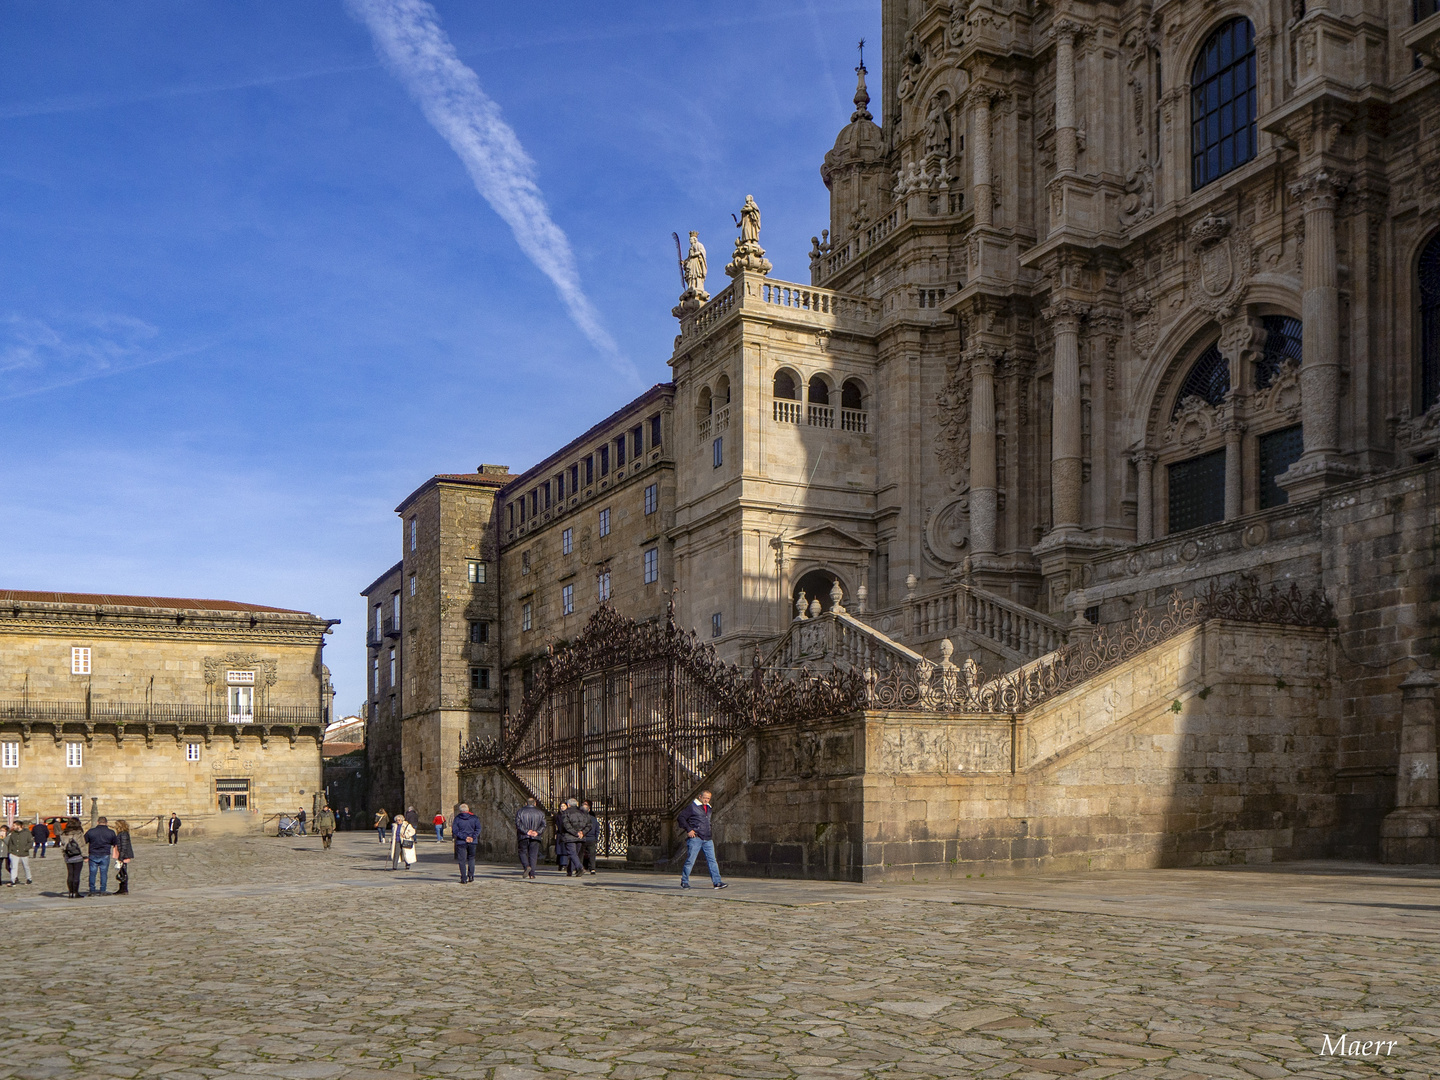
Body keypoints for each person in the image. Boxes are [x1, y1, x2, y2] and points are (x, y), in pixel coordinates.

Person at [678, 790, 727, 890]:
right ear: (700, 796)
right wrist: (689, 829)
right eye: (705, 797)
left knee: (712, 860)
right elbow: (681, 818)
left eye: (708, 798)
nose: (706, 799)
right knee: (690, 860)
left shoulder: (708, 807)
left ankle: (717, 882)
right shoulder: (692, 807)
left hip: (708, 838)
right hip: (696, 837)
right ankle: (684, 881)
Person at [84, 816, 119, 896]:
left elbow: (84, 841)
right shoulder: (111, 832)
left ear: (97, 822)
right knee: (104, 873)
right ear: (106, 823)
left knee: (92, 873)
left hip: (93, 854)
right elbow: (114, 843)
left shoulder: (91, 831)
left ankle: (92, 890)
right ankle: (103, 890)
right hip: (105, 854)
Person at [558, 799, 590, 879]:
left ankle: (580, 867)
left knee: (572, 853)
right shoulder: (582, 812)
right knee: (574, 854)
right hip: (580, 836)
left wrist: (575, 833)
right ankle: (570, 870)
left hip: (570, 836)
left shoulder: (566, 813)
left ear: (568, 805)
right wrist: (582, 832)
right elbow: (589, 824)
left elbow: (566, 825)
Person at [515, 798, 545, 880]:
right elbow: (543, 824)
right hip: (535, 836)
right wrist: (537, 832)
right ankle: (532, 874)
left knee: (522, 852)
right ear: (535, 803)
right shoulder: (540, 812)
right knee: (533, 855)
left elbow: (518, 823)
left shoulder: (520, 811)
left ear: (526, 803)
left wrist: (527, 831)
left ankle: (526, 866)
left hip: (523, 836)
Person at [452, 803, 480, 883]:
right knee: (471, 858)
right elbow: (478, 828)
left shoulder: (457, 819)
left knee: (462, 860)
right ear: (468, 810)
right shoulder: (474, 818)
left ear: (460, 811)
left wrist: (464, 837)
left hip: (461, 841)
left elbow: (455, 830)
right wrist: (472, 837)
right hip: (472, 841)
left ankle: (464, 878)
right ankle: (471, 875)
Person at [62, 826, 85, 899]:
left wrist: (64, 855)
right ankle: (75, 892)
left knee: (70, 874)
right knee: (76, 874)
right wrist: (85, 855)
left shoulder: (64, 833)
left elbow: (63, 846)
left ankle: (71, 892)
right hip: (77, 856)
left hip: (68, 856)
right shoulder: (78, 833)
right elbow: (82, 845)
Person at [579, 800, 600, 876]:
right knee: (592, 854)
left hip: (583, 838)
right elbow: (597, 829)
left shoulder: (580, 818)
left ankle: (580, 867)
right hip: (592, 838)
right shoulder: (593, 819)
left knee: (581, 854)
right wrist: (596, 837)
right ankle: (592, 868)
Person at [113, 820, 135, 895]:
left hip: (123, 856)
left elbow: (124, 846)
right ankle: (122, 888)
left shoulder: (123, 834)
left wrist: (120, 858)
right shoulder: (121, 834)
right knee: (122, 871)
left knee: (123, 872)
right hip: (122, 855)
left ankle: (124, 888)